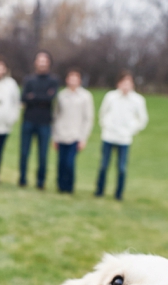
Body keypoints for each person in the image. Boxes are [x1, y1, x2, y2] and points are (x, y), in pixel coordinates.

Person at [95, 71, 149, 200]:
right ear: (118, 84)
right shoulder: (111, 97)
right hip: (108, 136)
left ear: (132, 85)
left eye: (128, 83)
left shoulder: (138, 100)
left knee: (122, 168)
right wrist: (106, 125)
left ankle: (118, 193)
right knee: (103, 165)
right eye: (123, 83)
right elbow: (102, 113)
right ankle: (99, 190)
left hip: (124, 139)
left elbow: (143, 119)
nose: (125, 86)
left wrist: (131, 130)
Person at [18, 51, 59, 189]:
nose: (42, 63)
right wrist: (41, 97)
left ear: (48, 63)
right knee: (24, 152)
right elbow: (23, 98)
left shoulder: (53, 81)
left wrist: (33, 97)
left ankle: (41, 182)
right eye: (39, 60)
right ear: (36, 62)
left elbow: (50, 99)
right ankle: (22, 179)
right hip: (28, 121)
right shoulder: (29, 80)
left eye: (44, 61)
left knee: (42, 155)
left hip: (45, 123)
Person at [51, 67, 94, 194]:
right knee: (61, 163)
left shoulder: (85, 96)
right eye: (71, 79)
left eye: (76, 79)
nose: (73, 81)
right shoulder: (61, 95)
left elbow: (88, 118)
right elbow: (56, 116)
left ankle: (69, 187)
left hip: (75, 135)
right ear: (67, 80)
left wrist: (83, 137)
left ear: (79, 80)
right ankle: (60, 186)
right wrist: (54, 136)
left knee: (70, 163)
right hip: (61, 134)